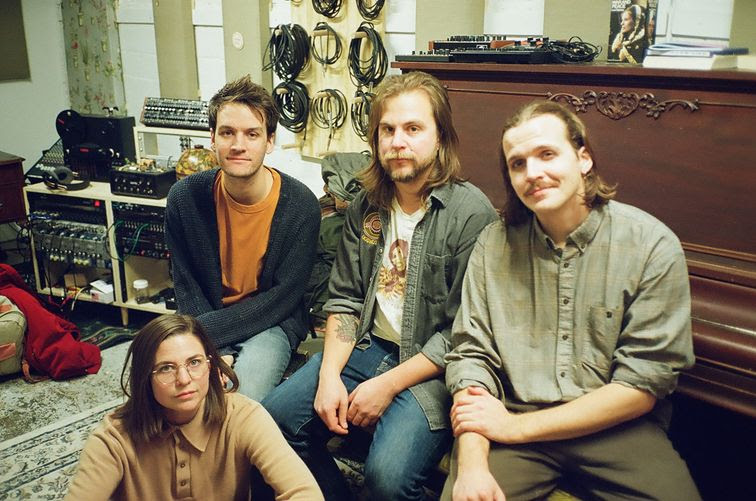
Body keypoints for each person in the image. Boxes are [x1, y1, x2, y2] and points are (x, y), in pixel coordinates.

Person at [442, 100, 700, 501]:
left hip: (613, 429)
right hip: (514, 413)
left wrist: (514, 428)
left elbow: (642, 385)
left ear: (584, 159)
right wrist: (472, 465)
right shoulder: (493, 244)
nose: (533, 173)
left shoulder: (651, 245)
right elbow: (471, 357)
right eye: (518, 163)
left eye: (547, 154)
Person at [262, 71, 498, 500]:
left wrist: (386, 386)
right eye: (387, 130)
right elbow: (346, 299)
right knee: (275, 422)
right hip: (367, 347)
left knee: (387, 478)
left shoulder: (471, 215)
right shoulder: (367, 204)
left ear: (440, 138)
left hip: (431, 367)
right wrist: (329, 376)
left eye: (413, 128)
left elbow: (462, 334)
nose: (397, 141)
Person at [165, 75, 320, 401]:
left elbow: (284, 298)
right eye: (227, 133)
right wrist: (215, 349)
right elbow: (186, 285)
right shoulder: (184, 198)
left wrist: (208, 337)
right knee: (164, 392)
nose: (238, 145)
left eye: (252, 134)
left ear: (270, 141)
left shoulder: (301, 205)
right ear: (212, 138)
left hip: (272, 323)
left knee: (239, 400)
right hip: (205, 317)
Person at [65, 314, 323, 500]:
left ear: (210, 365)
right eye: (166, 368)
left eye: (194, 362)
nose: (184, 379)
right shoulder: (114, 437)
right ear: (144, 377)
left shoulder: (244, 416)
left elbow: (303, 492)